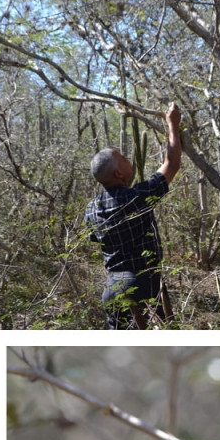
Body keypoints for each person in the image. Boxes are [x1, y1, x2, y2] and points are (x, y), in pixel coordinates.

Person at [85, 102, 182, 329]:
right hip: (144, 286)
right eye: (125, 159)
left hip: (113, 289)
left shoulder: (91, 209)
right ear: (119, 173)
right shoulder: (136, 198)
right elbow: (172, 164)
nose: (130, 159)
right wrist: (173, 125)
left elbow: (95, 239)